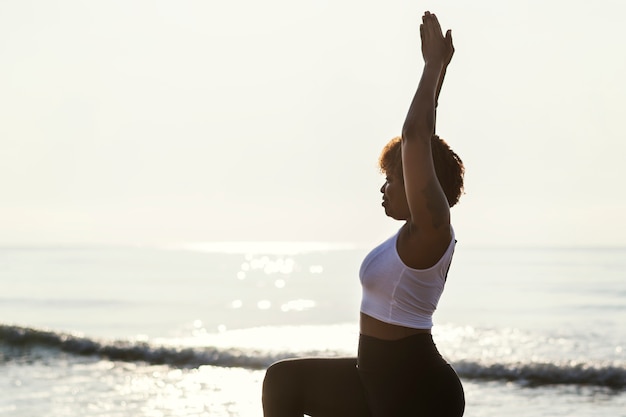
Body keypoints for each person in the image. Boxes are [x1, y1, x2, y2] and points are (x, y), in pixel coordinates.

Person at [262, 11, 465, 417]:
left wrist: (431, 67)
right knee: (284, 381)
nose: (383, 187)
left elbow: (416, 138)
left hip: (416, 388)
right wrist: (437, 79)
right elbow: (423, 136)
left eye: (392, 178)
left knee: (286, 384)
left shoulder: (432, 231)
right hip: (374, 377)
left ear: (419, 181)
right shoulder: (413, 233)